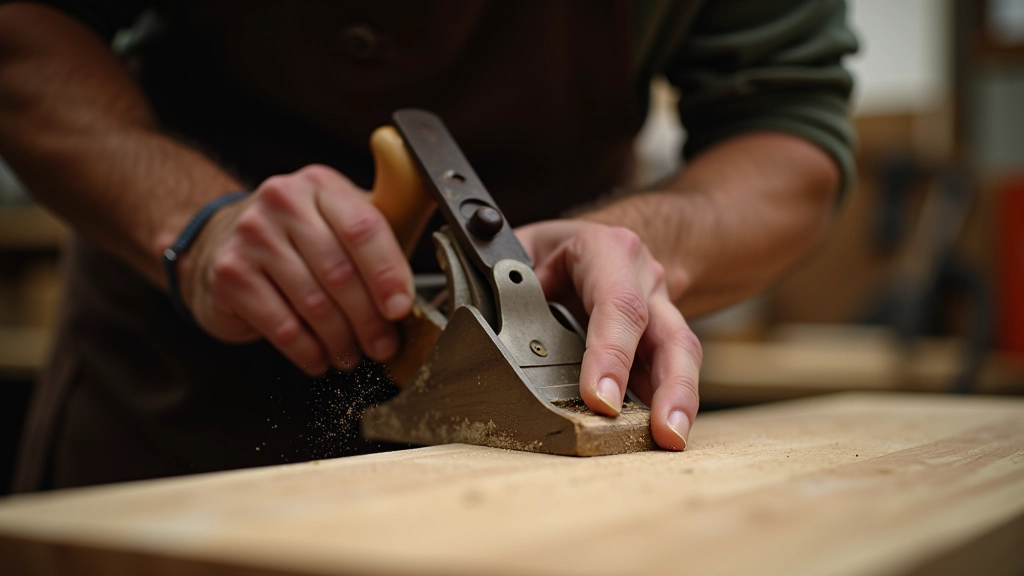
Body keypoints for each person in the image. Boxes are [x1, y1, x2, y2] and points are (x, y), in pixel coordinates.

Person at [0, 0, 857, 490]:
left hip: (555, 468)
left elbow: (786, 131)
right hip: (177, 421)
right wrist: (196, 218)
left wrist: (648, 241)